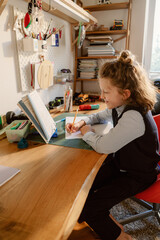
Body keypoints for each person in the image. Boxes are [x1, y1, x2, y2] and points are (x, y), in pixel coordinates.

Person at [66, 50, 160, 240]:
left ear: (125, 93)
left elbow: (103, 146)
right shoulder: (122, 105)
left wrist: (87, 133)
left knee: (86, 208)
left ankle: (120, 236)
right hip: (122, 165)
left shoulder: (133, 116)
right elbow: (100, 115)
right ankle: (103, 215)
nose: (101, 96)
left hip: (138, 174)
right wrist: (83, 122)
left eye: (106, 92)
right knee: (81, 187)